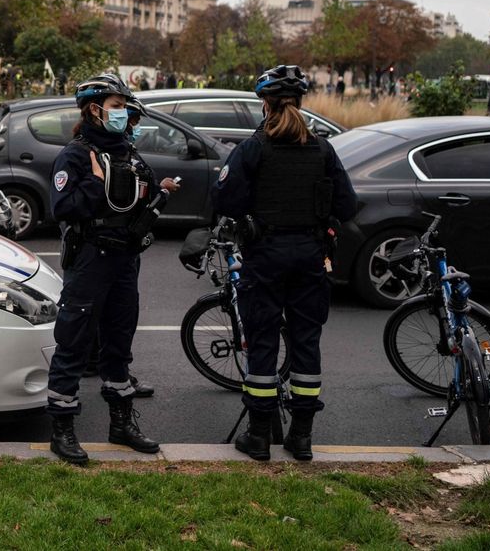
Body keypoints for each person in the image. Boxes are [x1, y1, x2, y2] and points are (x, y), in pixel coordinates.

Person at [213, 65, 357, 462]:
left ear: (265, 105)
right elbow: (347, 205)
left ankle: (258, 438)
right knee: (306, 344)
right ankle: (302, 438)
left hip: (265, 257)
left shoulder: (254, 148)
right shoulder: (323, 149)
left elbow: (223, 200)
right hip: (311, 257)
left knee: (262, 342)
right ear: (300, 104)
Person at [45, 74, 181, 464]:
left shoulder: (128, 153)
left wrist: (161, 195)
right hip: (90, 259)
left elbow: (143, 199)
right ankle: (62, 429)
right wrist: (95, 185)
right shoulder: (74, 154)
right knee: (73, 342)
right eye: (118, 105)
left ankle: (121, 424)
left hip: (125, 261)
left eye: (124, 106)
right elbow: (62, 208)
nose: (123, 112)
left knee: (119, 345)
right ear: (95, 108)